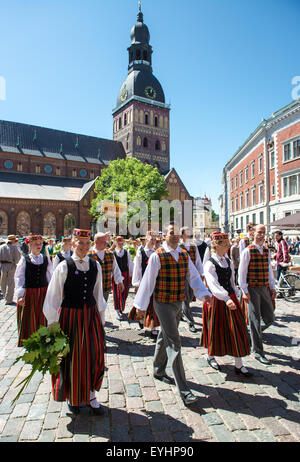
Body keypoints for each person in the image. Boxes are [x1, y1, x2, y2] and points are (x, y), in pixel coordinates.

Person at [132, 224, 212, 406]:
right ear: (165, 236)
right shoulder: (157, 256)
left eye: (177, 234)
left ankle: (158, 369)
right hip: (162, 303)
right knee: (175, 343)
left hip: (177, 302)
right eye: (171, 233)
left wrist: (203, 293)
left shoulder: (184, 254)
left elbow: (193, 277)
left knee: (165, 335)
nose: (175, 236)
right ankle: (184, 390)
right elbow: (148, 282)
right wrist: (140, 305)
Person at [43, 228, 106, 415]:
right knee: (72, 357)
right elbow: (53, 295)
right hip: (70, 317)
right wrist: (52, 322)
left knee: (94, 354)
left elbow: (98, 294)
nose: (84, 247)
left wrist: (100, 321)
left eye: (87, 243)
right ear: (73, 243)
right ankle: (73, 396)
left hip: (90, 316)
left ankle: (91, 393)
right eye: (80, 243)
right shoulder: (64, 266)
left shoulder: (95, 265)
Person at [201, 232, 252, 376]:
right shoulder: (210, 263)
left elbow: (231, 281)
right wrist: (225, 298)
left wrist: (235, 294)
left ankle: (239, 364)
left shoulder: (227, 261)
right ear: (217, 245)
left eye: (228, 243)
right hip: (217, 300)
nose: (229, 245)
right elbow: (212, 284)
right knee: (215, 328)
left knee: (236, 328)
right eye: (225, 243)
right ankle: (210, 356)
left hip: (230, 298)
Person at [239, 224, 277, 365]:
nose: (262, 235)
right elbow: (241, 273)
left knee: (270, 318)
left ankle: (251, 334)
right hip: (252, 288)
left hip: (264, 287)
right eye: (259, 232)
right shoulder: (248, 251)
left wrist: (272, 287)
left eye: (264, 232)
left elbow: (268, 270)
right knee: (254, 319)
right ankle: (258, 351)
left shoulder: (266, 251)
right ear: (253, 233)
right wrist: (244, 291)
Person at [14, 235, 53, 346]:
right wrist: (20, 295)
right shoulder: (25, 259)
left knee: (43, 316)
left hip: (43, 292)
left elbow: (50, 275)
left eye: (40, 244)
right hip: (30, 293)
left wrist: (51, 293)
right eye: (36, 244)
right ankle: (31, 343)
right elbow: (19, 277)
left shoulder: (45, 259)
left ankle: (43, 341)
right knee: (29, 318)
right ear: (30, 245)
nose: (38, 246)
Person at [129, 232, 159, 338]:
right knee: (142, 302)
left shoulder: (157, 252)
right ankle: (141, 318)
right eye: (151, 239)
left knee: (153, 304)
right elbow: (137, 267)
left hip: (154, 283)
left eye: (155, 239)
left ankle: (154, 327)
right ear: (146, 240)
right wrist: (136, 283)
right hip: (142, 282)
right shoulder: (140, 252)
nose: (153, 241)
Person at [179, 226, 204, 333]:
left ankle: (181, 312)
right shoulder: (179, 246)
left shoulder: (193, 246)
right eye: (187, 232)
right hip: (181, 276)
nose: (190, 234)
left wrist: (201, 273)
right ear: (182, 234)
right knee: (185, 299)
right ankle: (191, 322)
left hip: (192, 276)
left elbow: (198, 260)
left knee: (188, 298)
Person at [88, 232, 124, 302]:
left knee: (102, 309)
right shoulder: (89, 255)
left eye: (106, 241)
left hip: (106, 288)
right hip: (92, 289)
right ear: (96, 242)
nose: (105, 244)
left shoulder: (110, 254)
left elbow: (115, 269)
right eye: (103, 242)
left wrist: (120, 281)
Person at [112, 236, 133, 320]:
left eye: (121, 243)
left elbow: (130, 263)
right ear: (115, 243)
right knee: (117, 293)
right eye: (118, 243)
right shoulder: (113, 253)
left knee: (125, 292)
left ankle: (121, 307)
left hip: (125, 274)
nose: (120, 245)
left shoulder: (126, 252)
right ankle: (117, 310)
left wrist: (131, 275)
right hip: (116, 275)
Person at [0, 235, 21, 305]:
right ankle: (9, 299)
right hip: (11, 265)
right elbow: (17, 258)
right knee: (11, 282)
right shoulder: (14, 247)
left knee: (3, 281)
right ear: (12, 241)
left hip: (3, 265)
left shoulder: (1, 247)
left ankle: (5, 295)